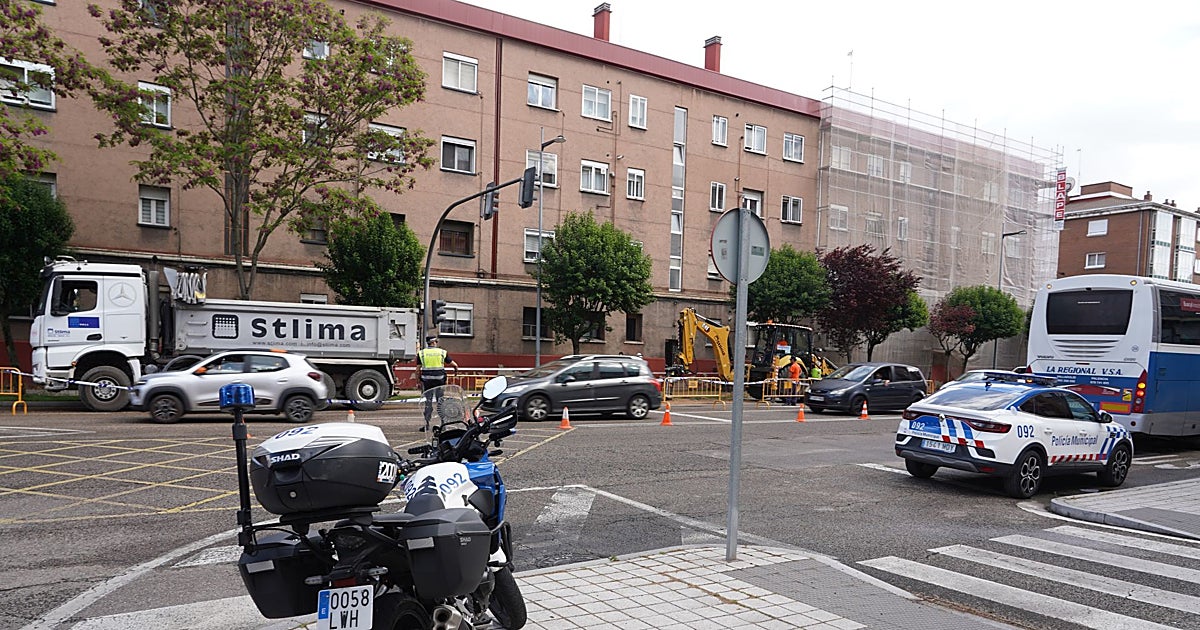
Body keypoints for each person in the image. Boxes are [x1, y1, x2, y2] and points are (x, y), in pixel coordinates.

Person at [417, 335, 458, 432]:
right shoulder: (442, 352)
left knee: (428, 402)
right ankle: (444, 425)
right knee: (441, 402)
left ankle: (426, 425)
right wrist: (456, 371)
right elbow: (454, 364)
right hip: (440, 380)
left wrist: (418, 380)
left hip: (427, 381)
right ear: (434, 342)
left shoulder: (422, 353)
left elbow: (418, 369)